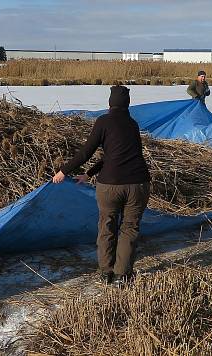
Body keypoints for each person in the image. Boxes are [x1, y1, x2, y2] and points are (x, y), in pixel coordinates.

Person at [52, 85, 151, 287]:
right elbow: (119, 155)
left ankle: (106, 273)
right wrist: (88, 174)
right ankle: (122, 275)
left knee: (107, 226)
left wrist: (64, 171)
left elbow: (86, 152)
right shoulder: (133, 125)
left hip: (110, 186)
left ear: (109, 103)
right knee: (129, 229)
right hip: (138, 184)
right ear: (127, 104)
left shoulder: (103, 121)